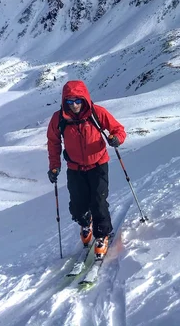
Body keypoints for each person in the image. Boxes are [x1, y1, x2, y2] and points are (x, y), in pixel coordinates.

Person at [46, 80, 126, 258]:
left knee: (99, 201)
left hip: (98, 165)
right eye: (70, 101)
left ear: (84, 99)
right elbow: (53, 142)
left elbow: (118, 129)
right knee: (77, 206)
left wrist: (117, 139)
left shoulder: (97, 113)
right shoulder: (59, 119)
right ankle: (85, 221)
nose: (74, 105)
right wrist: (54, 166)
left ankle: (102, 234)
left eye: (78, 101)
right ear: (64, 101)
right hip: (75, 168)